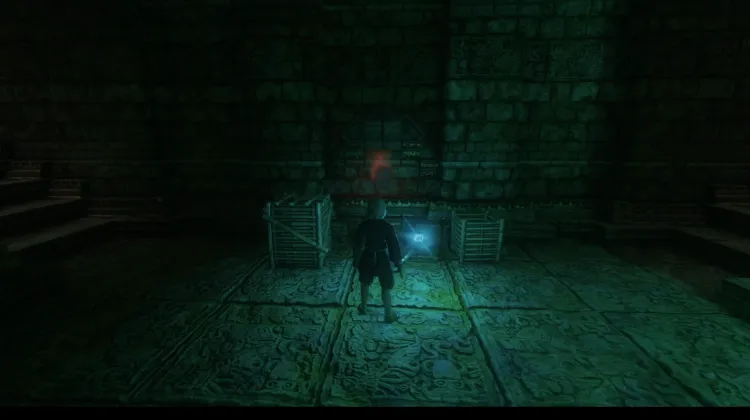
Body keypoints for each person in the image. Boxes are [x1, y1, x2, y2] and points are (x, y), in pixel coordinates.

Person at [353, 197, 405, 323]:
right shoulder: (387, 226)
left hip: (367, 256)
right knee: (386, 286)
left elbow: (357, 245)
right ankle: (388, 314)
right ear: (382, 210)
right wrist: (398, 263)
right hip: (382, 258)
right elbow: (393, 245)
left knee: (365, 283)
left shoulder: (363, 225)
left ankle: (363, 307)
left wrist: (357, 260)